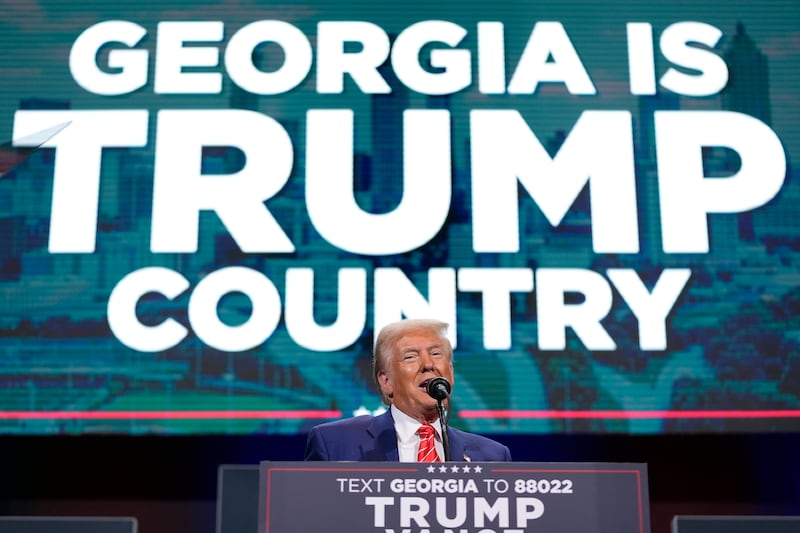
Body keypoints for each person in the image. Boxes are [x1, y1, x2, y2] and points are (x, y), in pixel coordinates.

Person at [305, 318, 512, 462]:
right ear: (386, 382)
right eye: (410, 356)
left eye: (436, 354)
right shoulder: (335, 444)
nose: (428, 364)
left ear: (450, 373)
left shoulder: (492, 456)